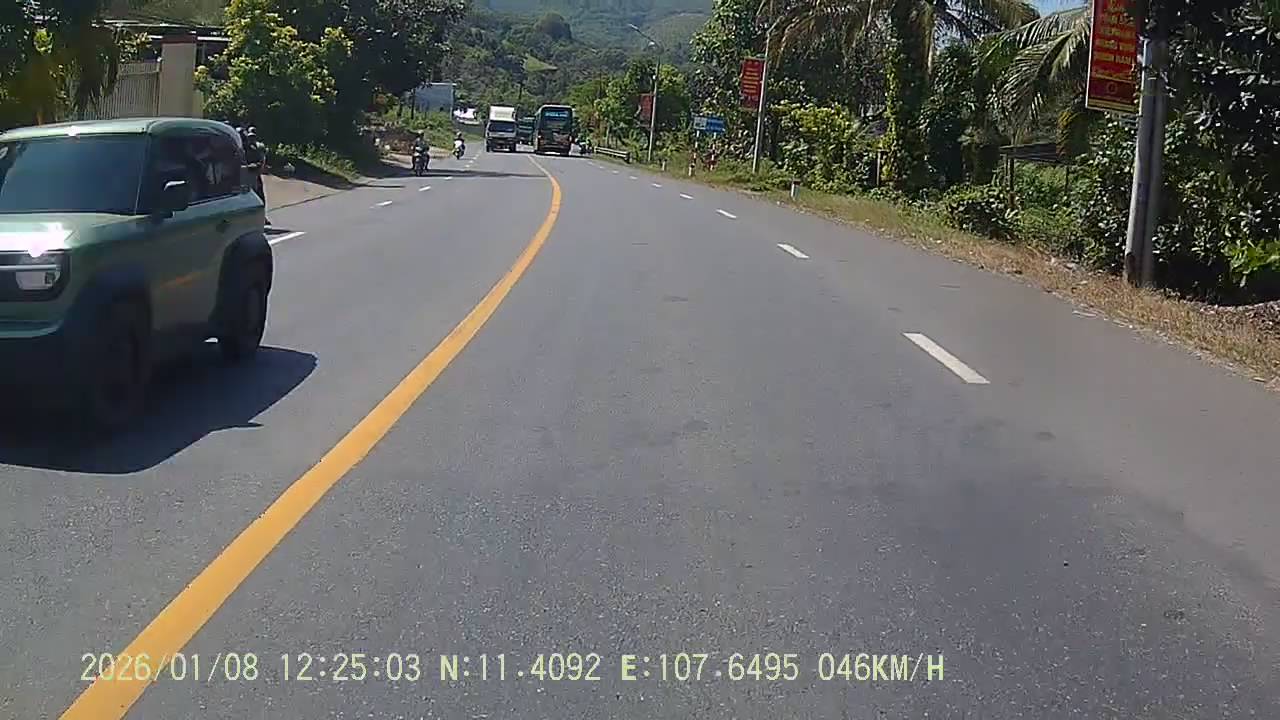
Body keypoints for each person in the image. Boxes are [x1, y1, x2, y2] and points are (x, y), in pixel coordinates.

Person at [242, 126, 269, 225]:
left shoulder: (257, 148)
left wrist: (256, 166)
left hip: (254, 175)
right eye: (249, 137)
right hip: (245, 176)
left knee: (259, 196)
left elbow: (261, 161)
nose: (251, 139)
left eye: (253, 137)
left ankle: (262, 217)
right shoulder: (241, 149)